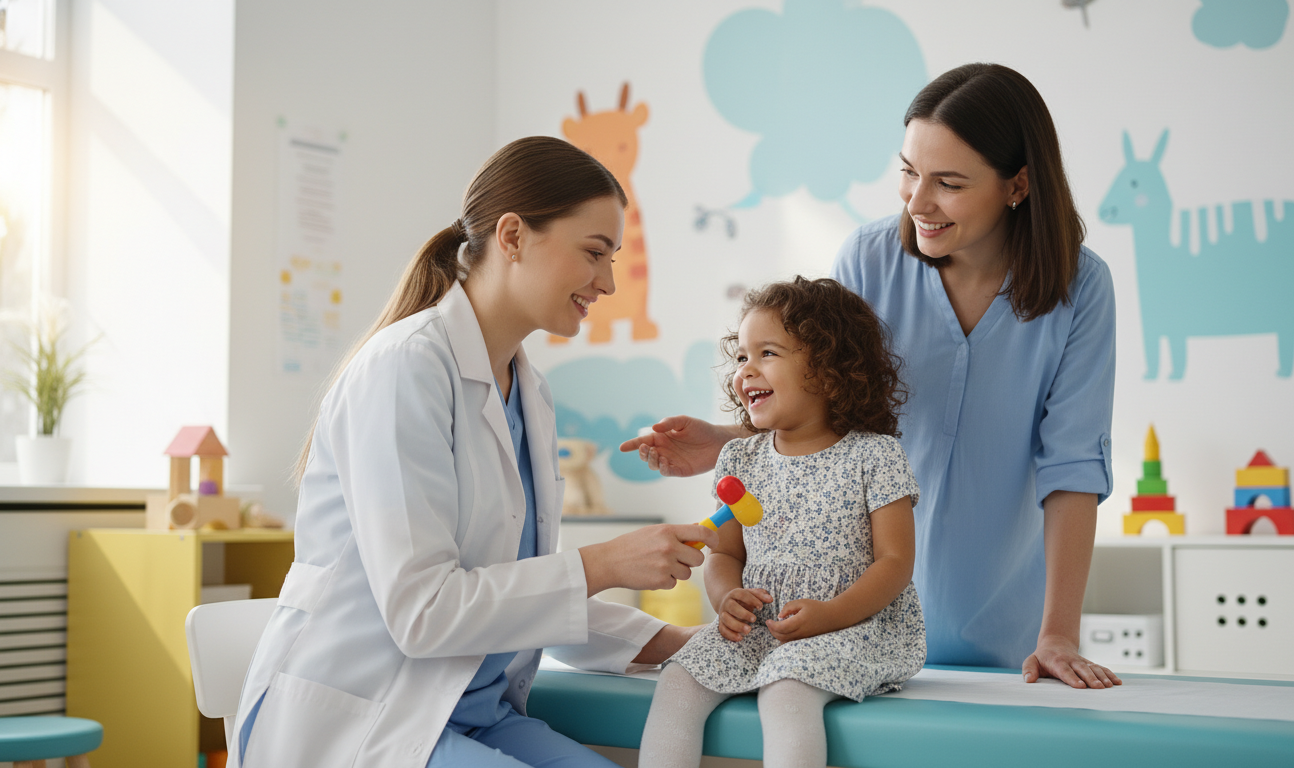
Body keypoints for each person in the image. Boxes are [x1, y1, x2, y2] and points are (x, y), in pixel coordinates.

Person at [621, 63, 1122, 689]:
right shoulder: (869, 259)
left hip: (1004, 626)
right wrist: (730, 441)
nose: (918, 203)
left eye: (949, 183)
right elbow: (828, 416)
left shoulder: (1082, 288)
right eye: (909, 173)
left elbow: (1073, 467)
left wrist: (1058, 634)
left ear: (1017, 185)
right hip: (853, 622)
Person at [229, 136, 720, 768]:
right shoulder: (405, 368)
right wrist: (605, 563)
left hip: (473, 714)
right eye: (595, 253)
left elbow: (513, 594)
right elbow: (425, 612)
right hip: (370, 719)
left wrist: (682, 642)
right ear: (512, 236)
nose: (609, 282)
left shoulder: (529, 390)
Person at [639, 277, 925, 768]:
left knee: (787, 688)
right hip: (758, 628)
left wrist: (831, 615)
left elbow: (895, 563)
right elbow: (726, 552)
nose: (746, 370)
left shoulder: (874, 456)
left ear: (832, 372)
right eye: (741, 357)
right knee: (679, 679)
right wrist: (725, 597)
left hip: (852, 625)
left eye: (766, 353)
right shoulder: (739, 459)